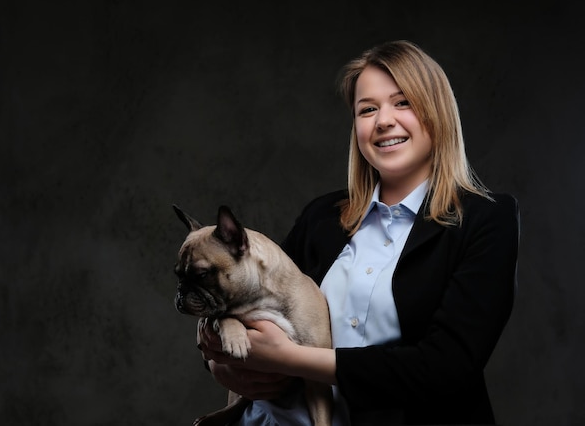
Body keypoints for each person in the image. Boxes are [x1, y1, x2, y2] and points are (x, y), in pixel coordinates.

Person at [197, 39, 520, 425]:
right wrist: (217, 359)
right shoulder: (322, 215)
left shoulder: (487, 220)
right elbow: (243, 303)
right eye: (367, 109)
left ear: (438, 112)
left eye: (403, 102)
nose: (383, 120)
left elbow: (446, 368)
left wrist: (288, 359)